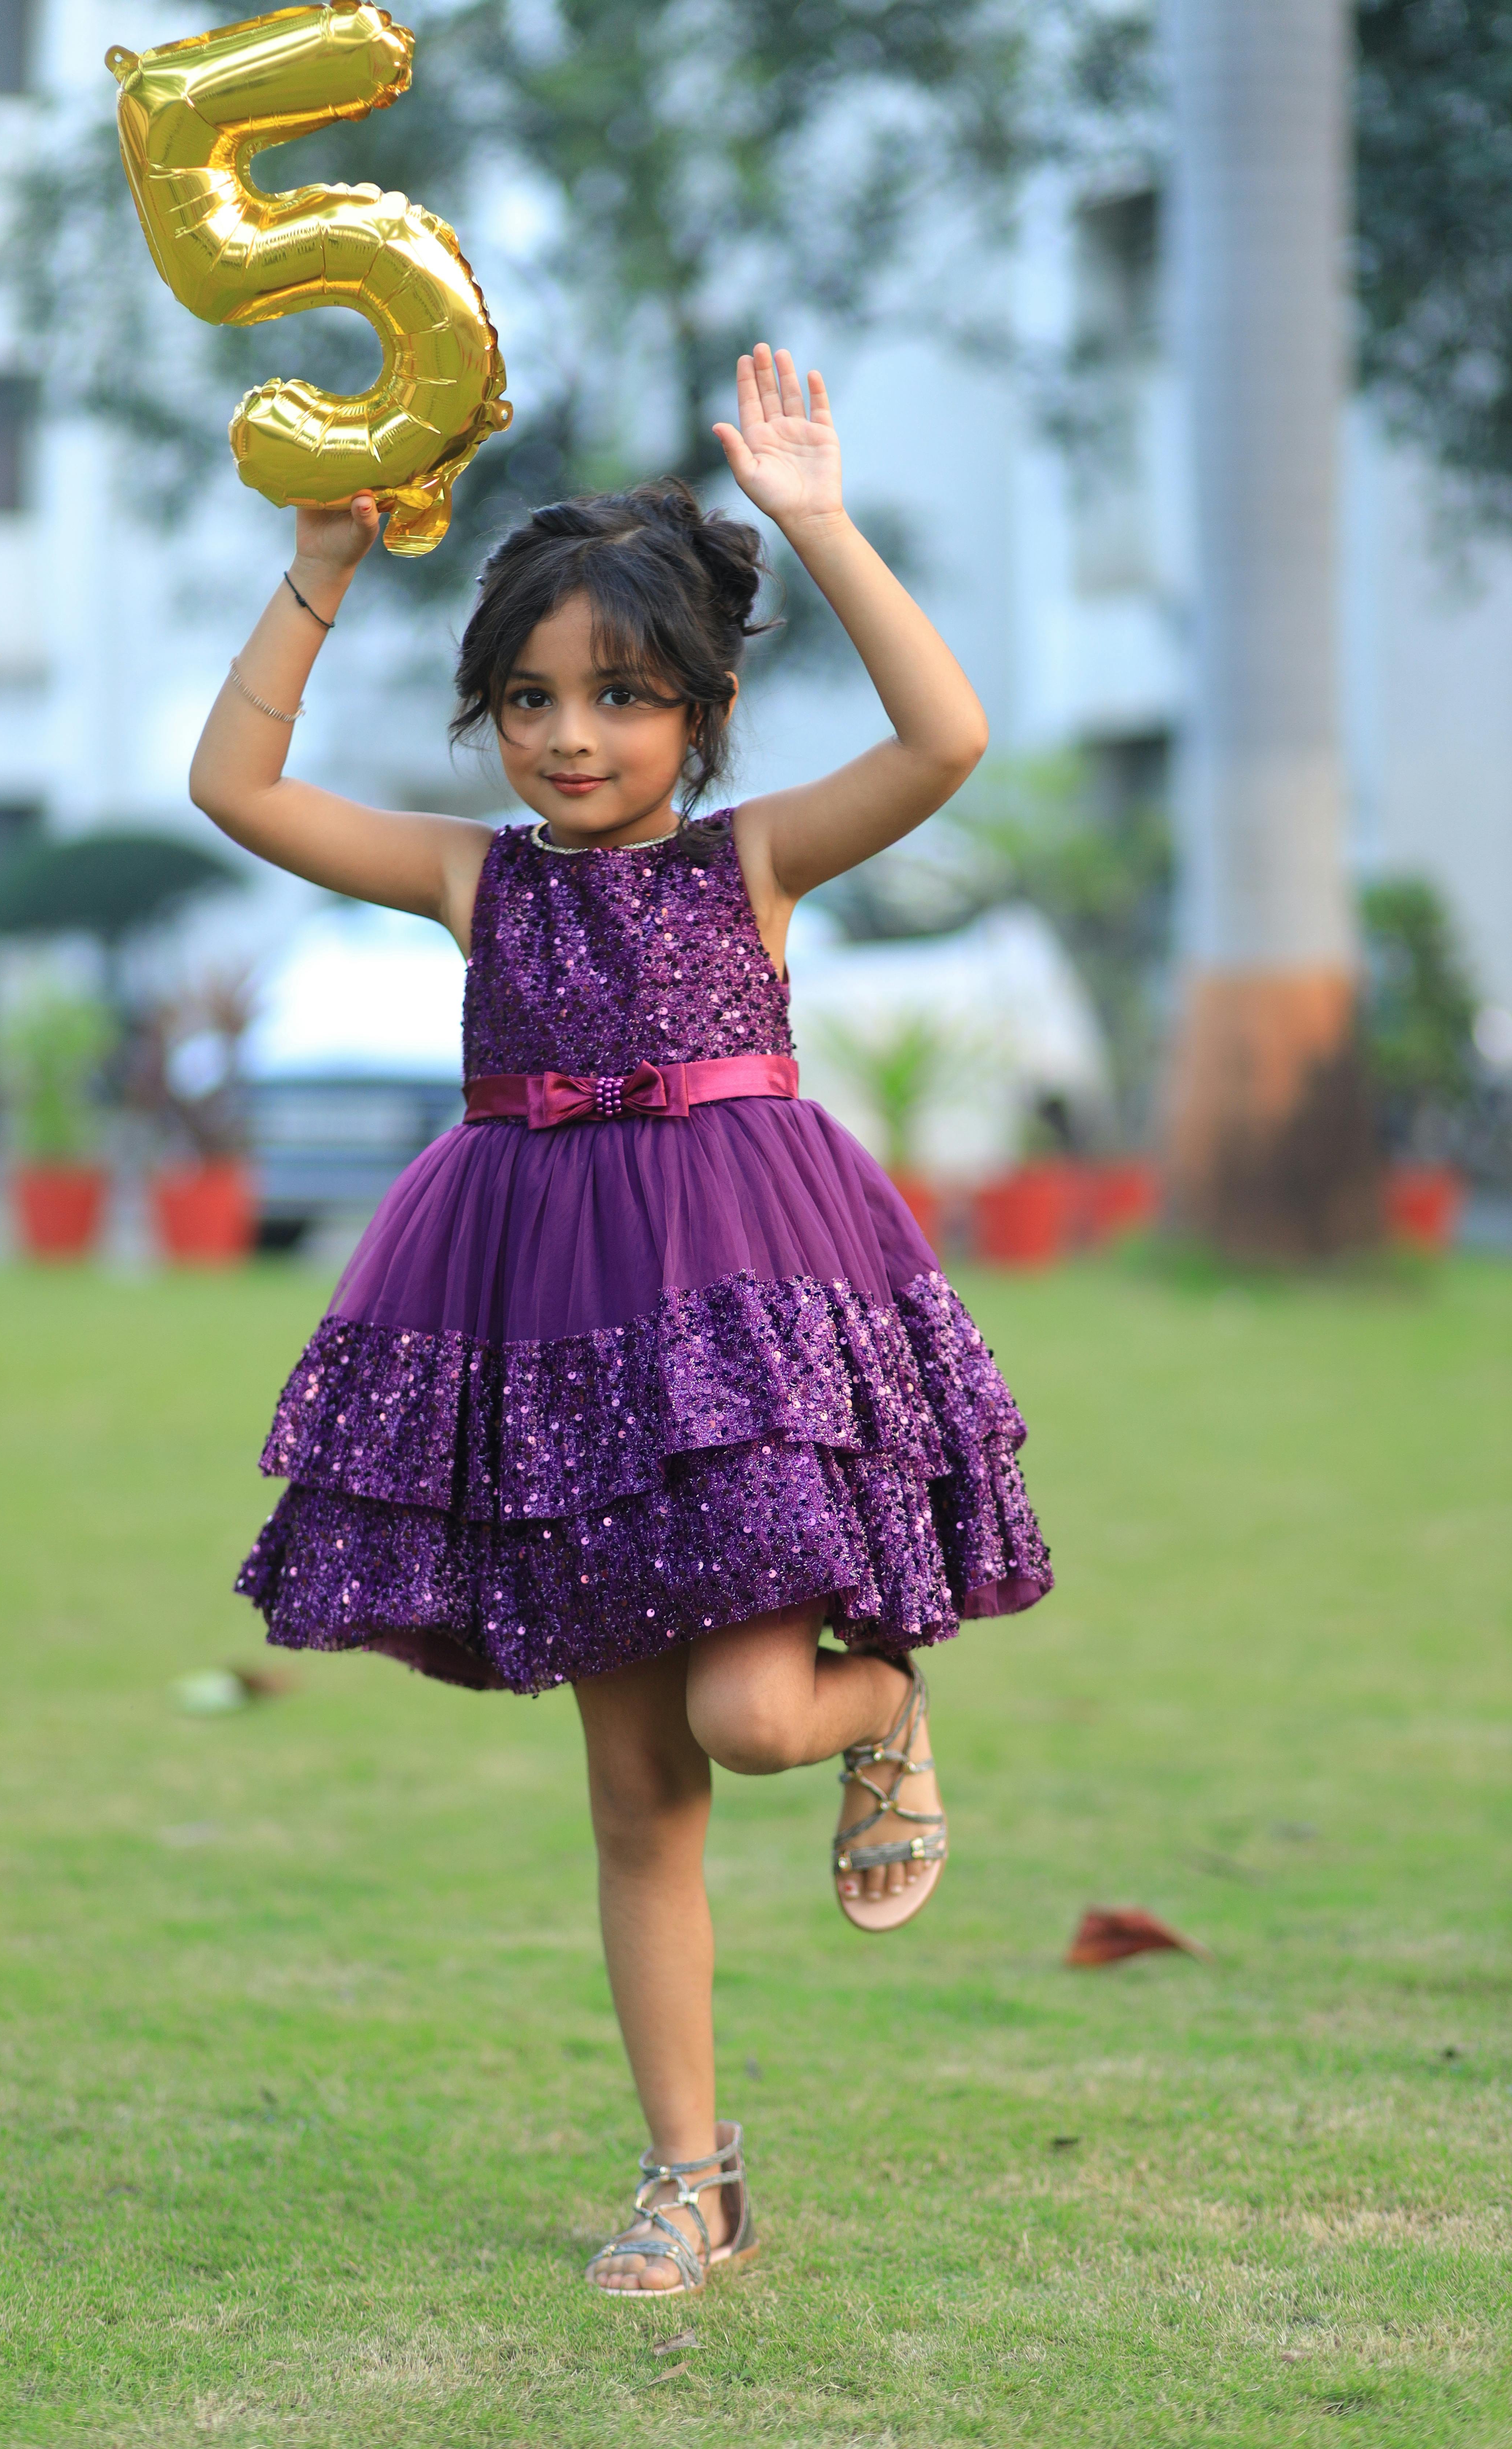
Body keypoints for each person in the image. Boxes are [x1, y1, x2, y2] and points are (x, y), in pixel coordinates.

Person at [191, 344, 1051, 2298]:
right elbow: (230, 785)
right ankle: (693, 2178)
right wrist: (324, 560)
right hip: (541, 1336)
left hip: (733, 1321)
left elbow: (946, 744)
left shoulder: (746, 869)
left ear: (701, 712)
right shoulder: (468, 882)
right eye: (531, 700)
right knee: (636, 1788)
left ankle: (881, 1698)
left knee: (752, 1715)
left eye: (622, 698)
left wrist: (820, 521)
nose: (573, 738)